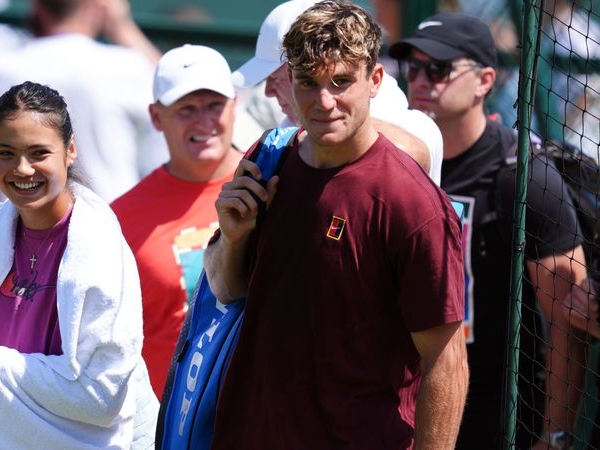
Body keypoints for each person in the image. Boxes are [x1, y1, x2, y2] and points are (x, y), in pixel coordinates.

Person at [204, 1, 468, 447]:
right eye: (308, 83)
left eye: (341, 82)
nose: (324, 101)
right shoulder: (266, 161)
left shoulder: (412, 203)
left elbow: (446, 361)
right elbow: (227, 290)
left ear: (375, 82)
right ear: (288, 82)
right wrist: (233, 239)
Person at [0, 81, 157, 449]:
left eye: (39, 153)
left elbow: (101, 393)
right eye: (6, 153)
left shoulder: (101, 245)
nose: (22, 169)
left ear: (70, 150)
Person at [388, 12, 589, 449]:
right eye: (413, 68)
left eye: (439, 69)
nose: (421, 80)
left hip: (498, 418)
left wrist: (554, 437)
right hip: (399, 409)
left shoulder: (522, 176)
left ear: (485, 81)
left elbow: (564, 320)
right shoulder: (392, 165)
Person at [111, 44, 243, 398]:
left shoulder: (274, 182)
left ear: (235, 105)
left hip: (256, 416)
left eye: (214, 105)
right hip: (165, 423)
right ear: (156, 117)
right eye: (186, 109)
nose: (203, 122)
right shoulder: (121, 219)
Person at [232, 0, 445, 184]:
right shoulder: (289, 132)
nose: (268, 91)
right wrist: (235, 232)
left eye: (340, 81)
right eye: (306, 82)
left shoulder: (414, 135)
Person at [0, 0, 167, 203]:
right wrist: (124, 29)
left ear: (38, 8)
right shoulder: (124, 66)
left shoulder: (5, 68)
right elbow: (173, 93)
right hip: (111, 214)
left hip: (24, 221)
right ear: (99, 7)